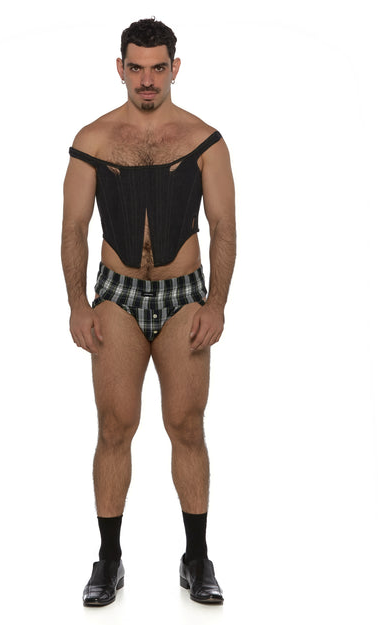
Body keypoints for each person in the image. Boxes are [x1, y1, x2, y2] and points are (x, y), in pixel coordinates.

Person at [61, 17, 236, 606]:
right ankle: (108, 560)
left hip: (185, 295)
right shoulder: (94, 139)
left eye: (158, 68)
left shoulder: (204, 139)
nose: (147, 80)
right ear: (120, 68)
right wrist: (77, 304)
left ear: (174, 68)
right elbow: (74, 227)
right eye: (136, 68)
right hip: (116, 295)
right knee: (115, 425)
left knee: (186, 425)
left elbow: (224, 226)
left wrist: (217, 303)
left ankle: (197, 557)